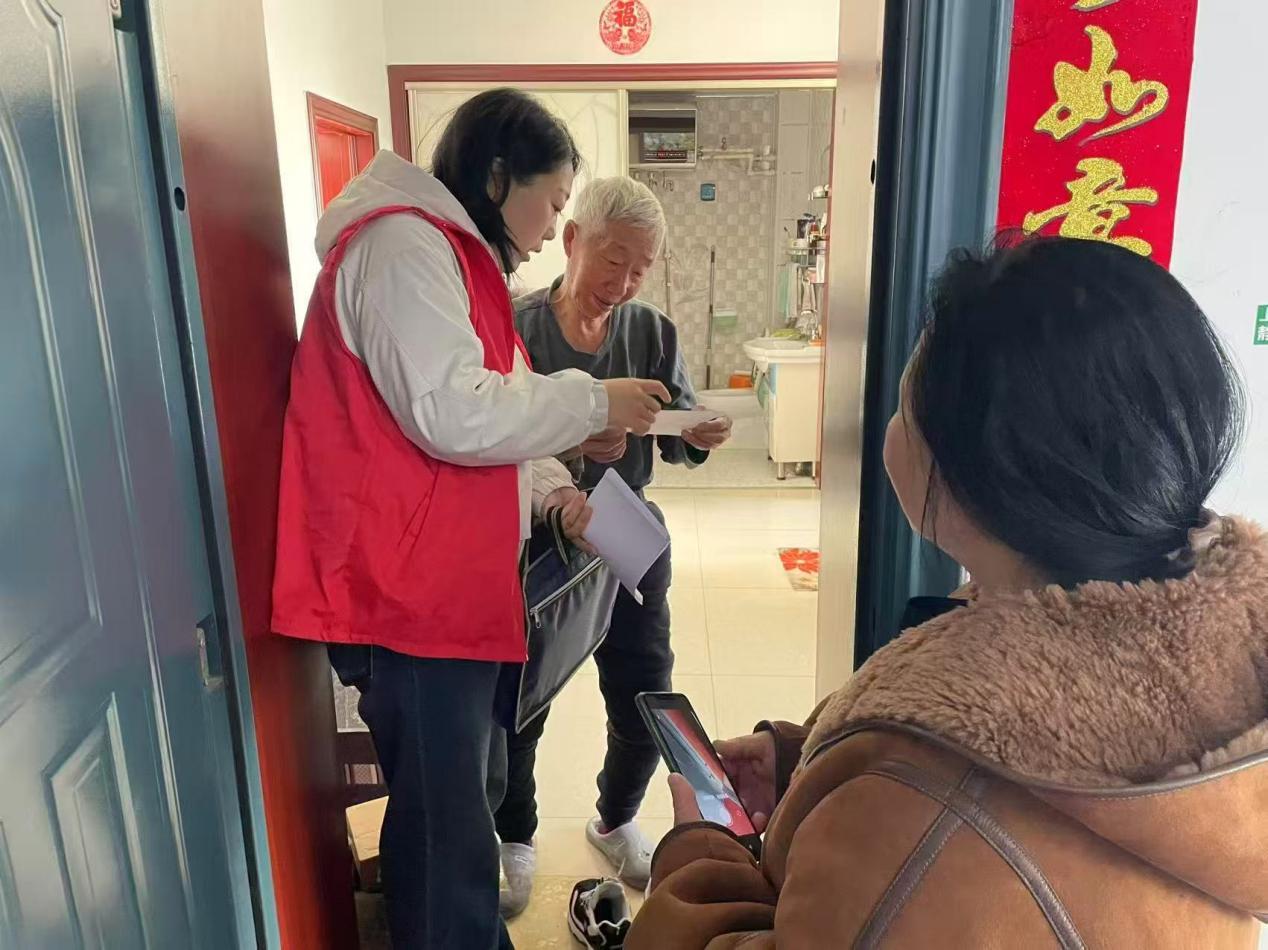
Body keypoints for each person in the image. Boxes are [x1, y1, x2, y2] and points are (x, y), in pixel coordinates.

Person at [627, 236, 1268, 948]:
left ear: (971, 470)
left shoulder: (909, 814)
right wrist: (812, 763)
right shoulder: (1217, 667)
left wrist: (702, 855)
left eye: (907, 404)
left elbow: (932, 835)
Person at [270, 89, 670, 950]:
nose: (550, 231)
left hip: (448, 587)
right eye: (552, 203)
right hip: (406, 594)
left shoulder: (457, 263)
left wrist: (555, 488)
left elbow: (498, 412)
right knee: (445, 831)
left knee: (464, 806)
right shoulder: (401, 247)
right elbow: (453, 413)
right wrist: (591, 399)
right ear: (497, 178)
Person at [495, 177, 732, 914]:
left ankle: (616, 818)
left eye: (640, 269)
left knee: (644, 689)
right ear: (572, 240)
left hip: (628, 534)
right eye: (612, 260)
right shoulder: (515, 325)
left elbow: (678, 433)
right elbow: (491, 438)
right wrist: (571, 440)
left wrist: (700, 432)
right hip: (537, 542)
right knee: (522, 700)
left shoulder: (651, 332)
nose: (622, 283)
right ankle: (515, 834)